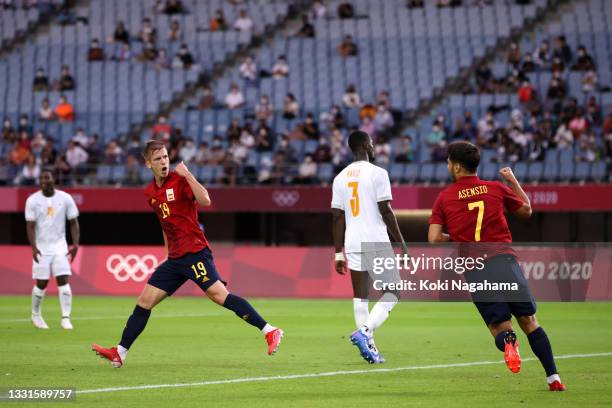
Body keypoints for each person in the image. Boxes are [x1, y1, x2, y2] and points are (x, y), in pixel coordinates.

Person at [92, 141, 283, 367]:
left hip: (195, 253)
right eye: (158, 159)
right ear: (148, 164)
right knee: (144, 301)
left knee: (219, 296)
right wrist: (167, 253)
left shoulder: (180, 180)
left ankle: (270, 330)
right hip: (175, 259)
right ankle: (120, 352)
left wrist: (189, 175)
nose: (163, 162)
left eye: (165, 157)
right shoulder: (150, 192)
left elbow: (206, 200)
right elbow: (165, 224)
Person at [427, 141, 566, 392]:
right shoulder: (495, 188)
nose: (447, 165)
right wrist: (512, 180)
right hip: (505, 262)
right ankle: (553, 377)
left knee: (499, 328)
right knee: (530, 321)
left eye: (448, 162)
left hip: (476, 268)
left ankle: (509, 343)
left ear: (457, 167)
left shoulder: (445, 197)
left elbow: (434, 238)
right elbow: (526, 210)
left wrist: (458, 238)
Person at [331, 130, 407, 364]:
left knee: (360, 296)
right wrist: (402, 243)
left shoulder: (340, 177)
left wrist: (337, 253)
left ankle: (371, 349)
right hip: (375, 238)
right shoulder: (378, 173)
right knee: (394, 291)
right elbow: (386, 210)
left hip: (352, 241)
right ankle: (365, 332)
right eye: (372, 143)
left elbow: (337, 217)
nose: (374, 147)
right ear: (365, 145)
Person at [25, 169, 80, 330]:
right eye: (41, 178)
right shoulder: (32, 200)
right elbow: (30, 226)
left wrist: (75, 244)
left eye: (47, 178)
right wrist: (34, 247)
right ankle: (35, 315)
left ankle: (65, 318)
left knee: (63, 280)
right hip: (41, 248)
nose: (44, 181)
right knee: (41, 283)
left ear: (53, 180)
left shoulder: (65, 198)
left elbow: (73, 222)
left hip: (60, 247)